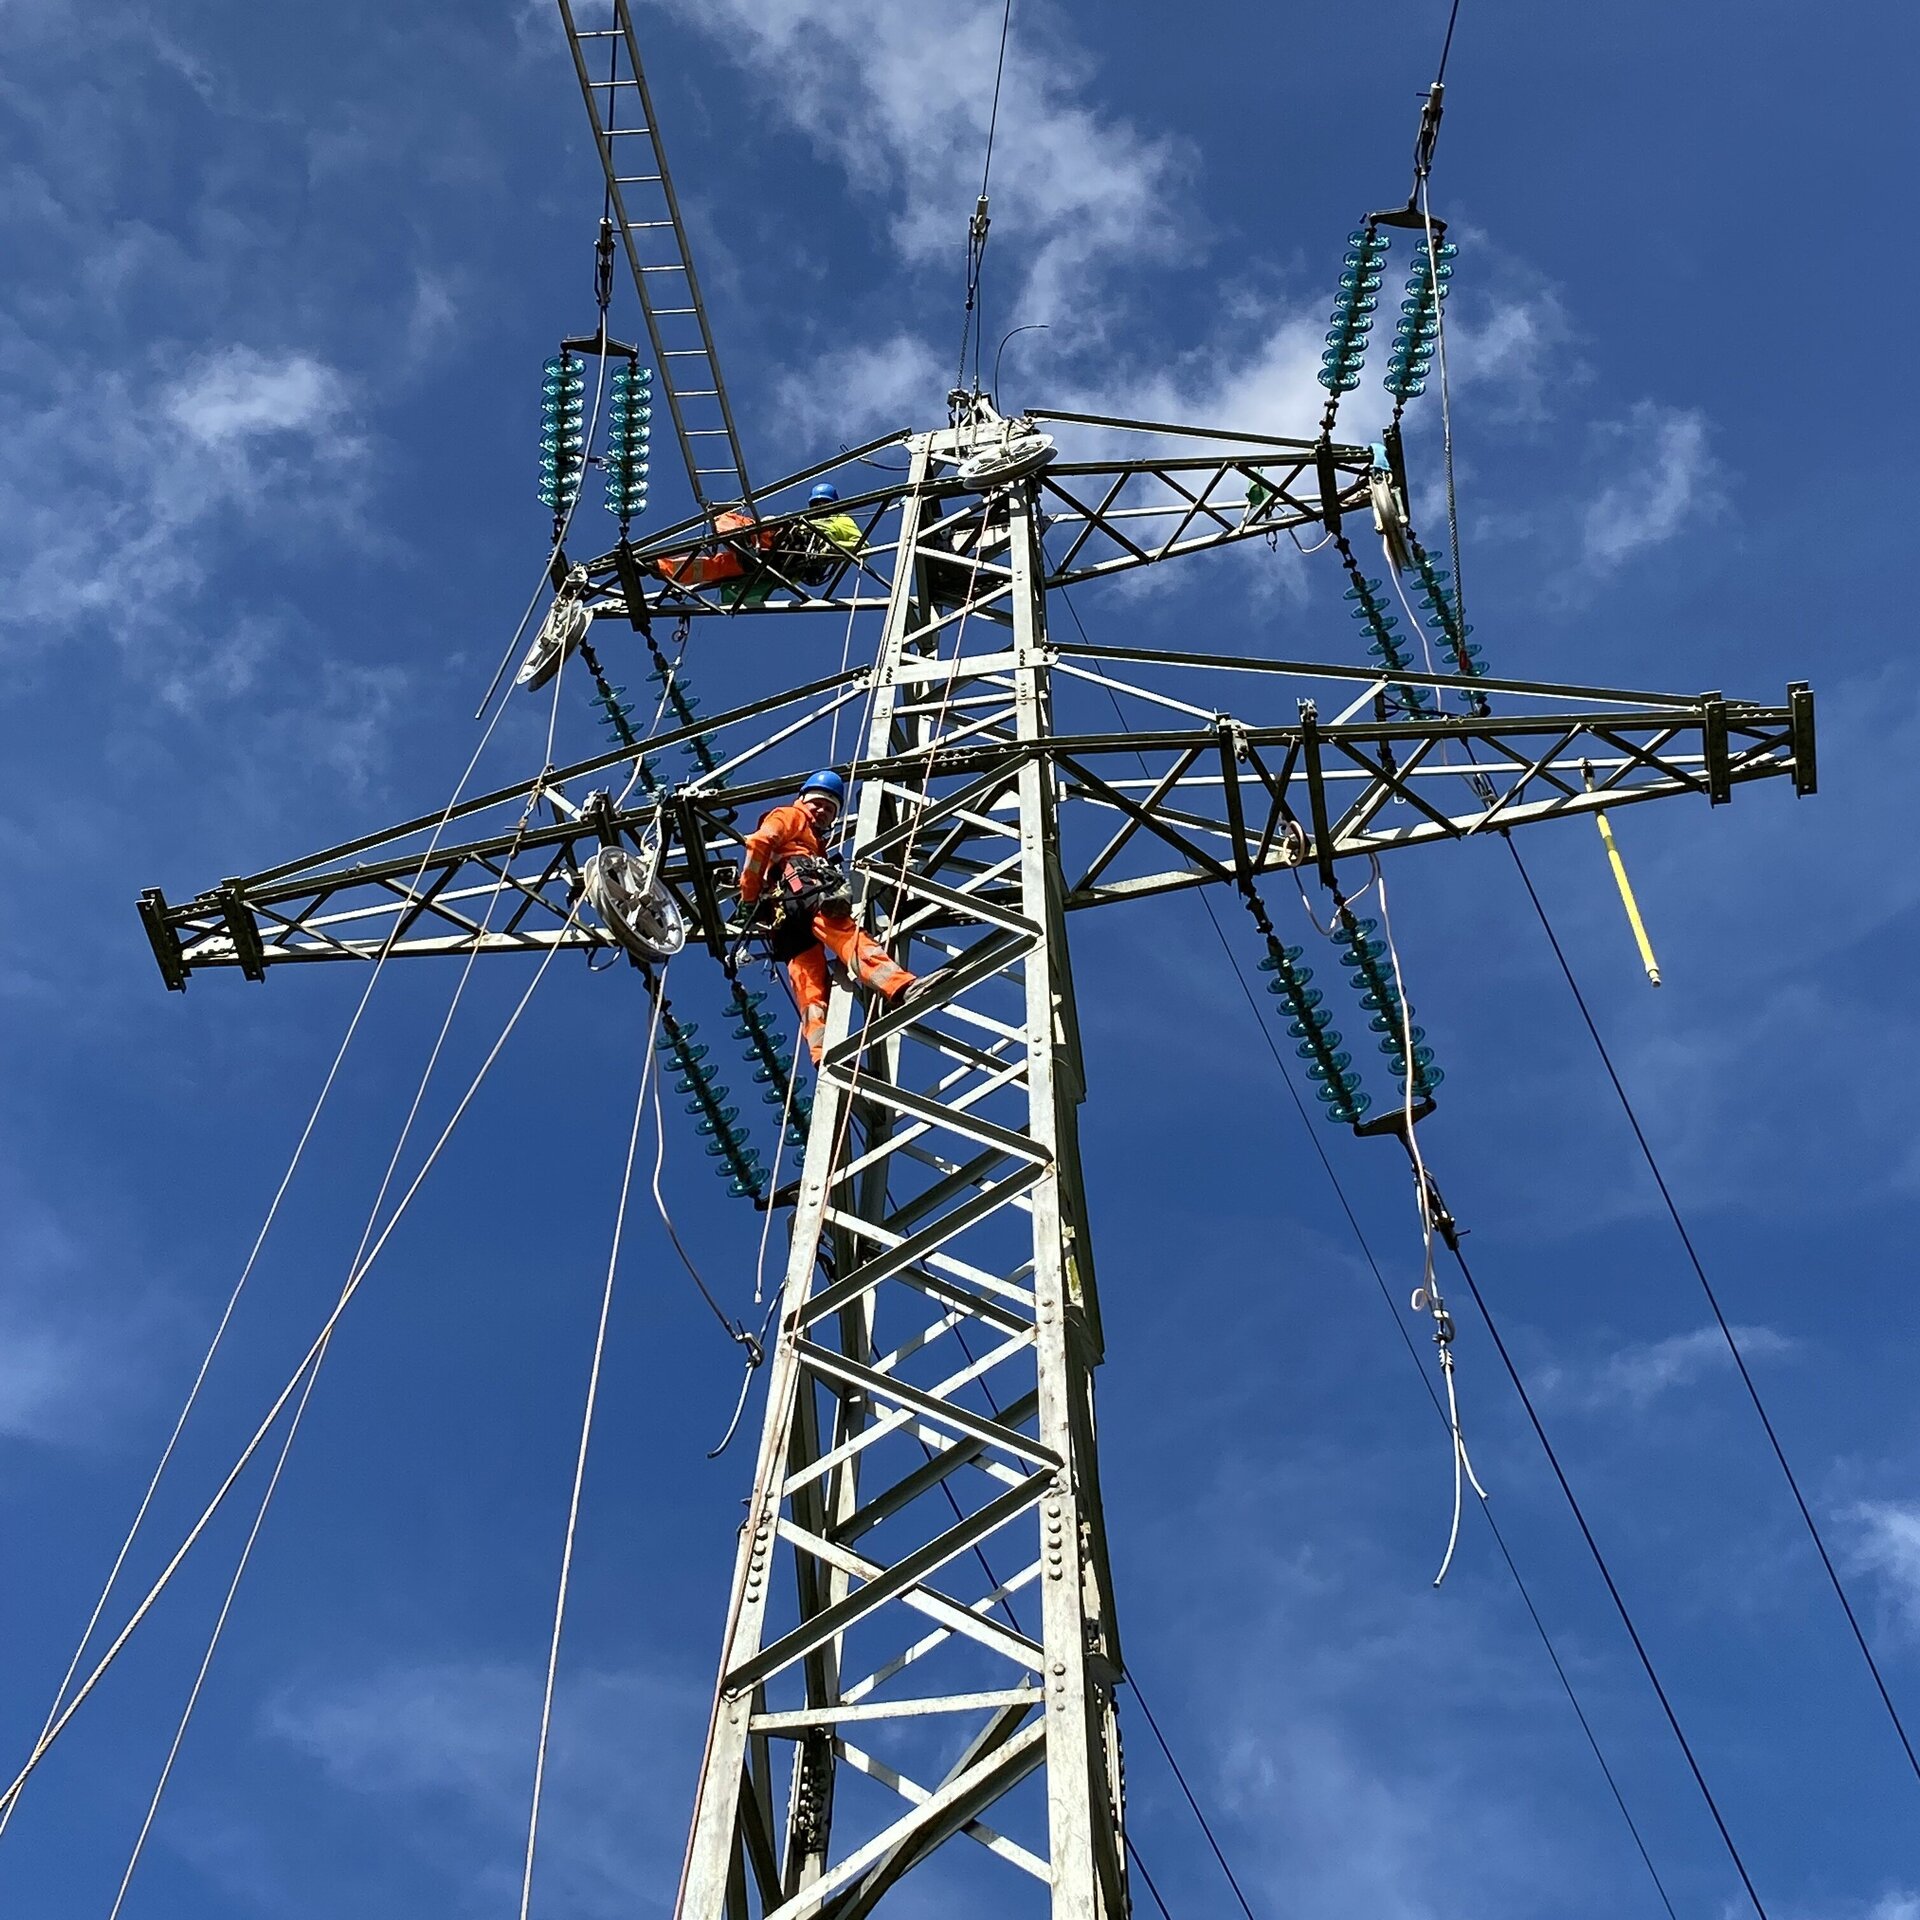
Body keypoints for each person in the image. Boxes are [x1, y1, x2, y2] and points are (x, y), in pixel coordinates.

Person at [730, 771, 917, 1064]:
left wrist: (753, 900)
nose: (822, 811)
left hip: (784, 920)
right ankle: (900, 985)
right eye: (817, 803)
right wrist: (749, 894)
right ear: (802, 800)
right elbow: (759, 842)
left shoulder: (816, 843)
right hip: (801, 895)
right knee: (848, 938)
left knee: (808, 984)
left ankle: (821, 1052)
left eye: (829, 809)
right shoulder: (791, 816)